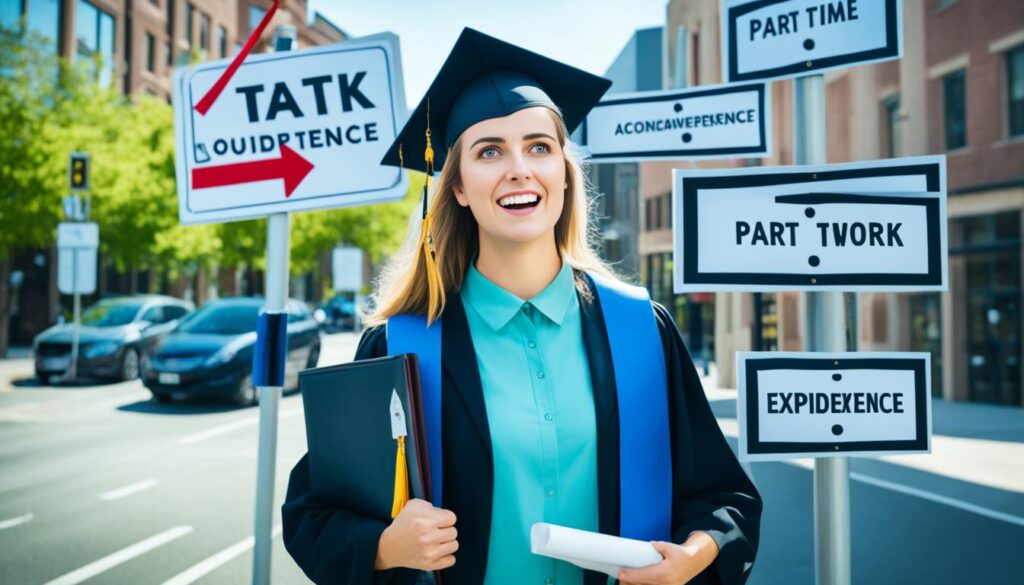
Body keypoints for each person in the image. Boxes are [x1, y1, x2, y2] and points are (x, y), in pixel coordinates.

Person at [283, 28, 762, 585]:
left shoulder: (641, 331)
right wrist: (386, 546)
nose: (519, 168)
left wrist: (695, 556)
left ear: (563, 173)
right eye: (489, 152)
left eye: (539, 147)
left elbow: (724, 497)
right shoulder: (403, 345)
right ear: (458, 186)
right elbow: (312, 515)